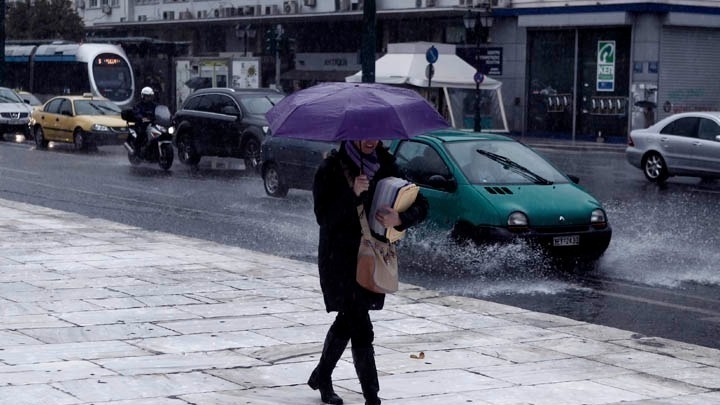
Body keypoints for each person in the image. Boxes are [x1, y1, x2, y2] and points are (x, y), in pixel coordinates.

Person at [310, 139, 429, 405]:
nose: (370, 139)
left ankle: (322, 375)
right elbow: (324, 217)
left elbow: (422, 203)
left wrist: (400, 219)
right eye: (363, 132)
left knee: (349, 319)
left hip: (371, 256)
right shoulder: (330, 168)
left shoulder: (388, 166)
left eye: (375, 133)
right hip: (338, 259)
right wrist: (351, 193)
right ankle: (371, 396)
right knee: (360, 325)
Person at [132, 86, 157, 154]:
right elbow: (136, 113)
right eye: (147, 96)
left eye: (150, 96)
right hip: (141, 124)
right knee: (141, 134)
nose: (149, 98)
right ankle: (137, 151)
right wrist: (142, 118)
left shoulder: (154, 105)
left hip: (152, 124)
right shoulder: (138, 105)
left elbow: (159, 112)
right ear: (143, 96)